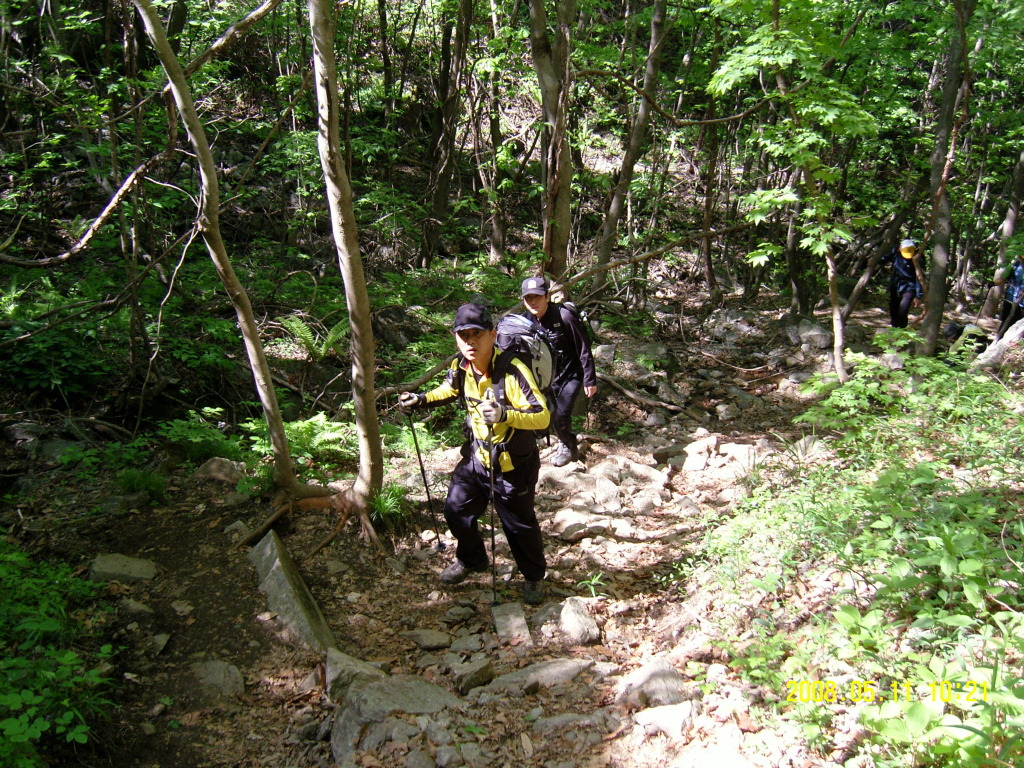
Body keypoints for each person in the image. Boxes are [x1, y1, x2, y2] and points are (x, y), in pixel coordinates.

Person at [399, 302, 551, 605]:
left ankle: (534, 576)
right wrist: (421, 399)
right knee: (456, 510)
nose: (470, 341)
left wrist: (505, 414)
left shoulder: (512, 370)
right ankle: (473, 560)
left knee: (519, 526)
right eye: (463, 335)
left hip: (512, 465)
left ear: (492, 335)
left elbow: (542, 416)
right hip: (477, 459)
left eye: (476, 334)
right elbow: (449, 389)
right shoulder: (461, 366)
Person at [520, 276, 597, 467]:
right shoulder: (525, 320)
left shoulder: (565, 316)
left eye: (537, 297)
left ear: (547, 296)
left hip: (572, 373)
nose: (533, 302)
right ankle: (565, 441)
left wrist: (590, 380)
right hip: (546, 377)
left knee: (562, 413)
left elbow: (583, 348)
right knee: (549, 413)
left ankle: (567, 445)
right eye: (528, 298)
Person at [880, 238, 924, 328]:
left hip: (910, 286)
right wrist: (876, 261)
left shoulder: (919, 259)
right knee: (893, 307)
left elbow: (919, 278)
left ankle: (902, 330)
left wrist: (918, 296)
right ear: (900, 248)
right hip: (896, 284)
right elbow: (886, 258)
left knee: (903, 310)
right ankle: (894, 328)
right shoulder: (895, 251)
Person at [994, 252, 1024, 340]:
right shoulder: (1015, 264)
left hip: (1020, 302)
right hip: (1010, 299)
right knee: (1007, 322)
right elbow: (1001, 278)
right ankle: (998, 341)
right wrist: (993, 283)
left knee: (1017, 326)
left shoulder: (1015, 263)